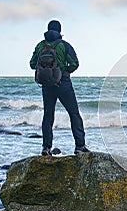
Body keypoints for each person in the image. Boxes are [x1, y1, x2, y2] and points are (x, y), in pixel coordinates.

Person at [30, 20, 90, 155]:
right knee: (74, 114)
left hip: (46, 86)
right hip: (63, 83)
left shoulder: (41, 46)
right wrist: (65, 71)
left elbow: (32, 64)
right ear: (60, 30)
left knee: (48, 115)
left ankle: (46, 148)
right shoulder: (64, 45)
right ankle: (80, 146)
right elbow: (75, 63)